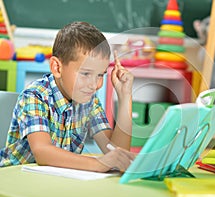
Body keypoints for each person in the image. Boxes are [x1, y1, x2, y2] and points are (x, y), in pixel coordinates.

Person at [0, 21, 135, 172]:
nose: (94, 85)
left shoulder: (89, 101)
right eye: (85, 74)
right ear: (57, 67)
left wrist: (125, 97)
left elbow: (116, 153)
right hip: (14, 177)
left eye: (100, 75)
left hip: (54, 181)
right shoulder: (35, 95)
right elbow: (43, 152)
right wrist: (99, 163)